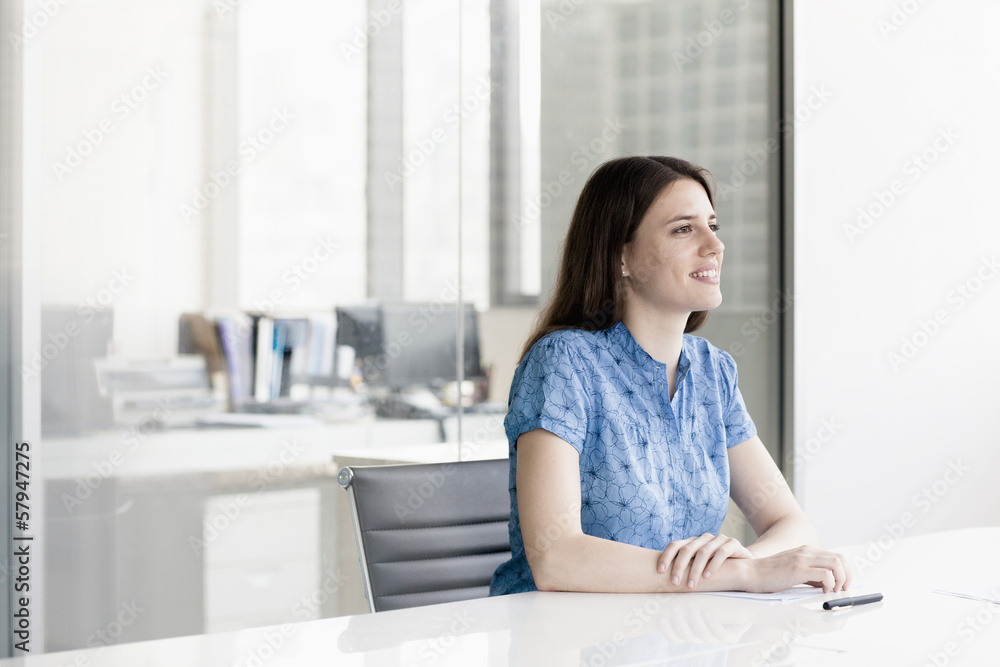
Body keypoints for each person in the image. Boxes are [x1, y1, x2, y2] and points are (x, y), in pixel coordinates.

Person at [489, 156, 850, 596]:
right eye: (683, 229)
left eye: (712, 226)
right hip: (559, 641)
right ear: (622, 257)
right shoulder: (565, 362)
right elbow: (556, 558)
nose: (715, 246)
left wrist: (741, 561)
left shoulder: (713, 371)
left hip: (676, 633)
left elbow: (791, 523)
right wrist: (742, 575)